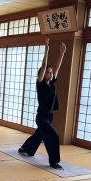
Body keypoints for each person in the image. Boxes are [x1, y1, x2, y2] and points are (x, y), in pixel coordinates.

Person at [18, 38, 66, 169]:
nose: (50, 74)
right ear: (42, 74)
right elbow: (45, 66)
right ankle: (54, 161)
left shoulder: (51, 83)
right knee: (54, 136)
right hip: (42, 117)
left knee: (39, 135)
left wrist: (62, 53)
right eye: (47, 72)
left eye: (50, 73)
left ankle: (26, 148)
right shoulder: (40, 84)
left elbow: (56, 67)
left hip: (49, 116)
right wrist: (47, 49)